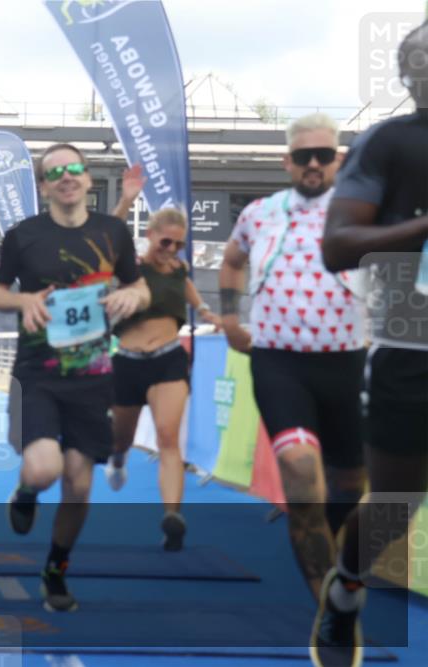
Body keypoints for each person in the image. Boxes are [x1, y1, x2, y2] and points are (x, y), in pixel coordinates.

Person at [0, 143, 150, 611]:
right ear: (43, 185)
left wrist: (131, 299)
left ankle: (56, 568)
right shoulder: (23, 236)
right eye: (55, 172)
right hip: (37, 373)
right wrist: (23, 302)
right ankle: (25, 489)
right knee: (44, 468)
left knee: (79, 486)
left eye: (74, 168)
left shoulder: (113, 232)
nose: (66, 176)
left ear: (87, 179)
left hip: (94, 377)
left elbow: (136, 284)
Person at [310, 23, 428, 667]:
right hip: (412, 343)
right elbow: (337, 245)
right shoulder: (390, 142)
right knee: (393, 504)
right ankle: (347, 588)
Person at [218, 112, 368, 606]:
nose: (313, 165)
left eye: (323, 156)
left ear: (338, 160)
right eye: (303, 156)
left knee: (350, 485)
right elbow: (233, 259)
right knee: (302, 473)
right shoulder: (259, 213)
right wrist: (230, 318)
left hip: (346, 362)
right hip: (279, 361)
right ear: (287, 161)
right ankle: (331, 611)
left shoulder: (362, 212)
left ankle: (316, 538)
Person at [107, 207, 222, 550]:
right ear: (150, 237)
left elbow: (184, 284)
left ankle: (172, 516)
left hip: (168, 359)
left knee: (169, 438)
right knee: (120, 439)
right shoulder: (132, 268)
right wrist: (126, 199)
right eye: (165, 242)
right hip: (127, 362)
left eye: (178, 244)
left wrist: (203, 310)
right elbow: (106, 241)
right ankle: (117, 458)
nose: (171, 250)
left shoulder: (180, 268)